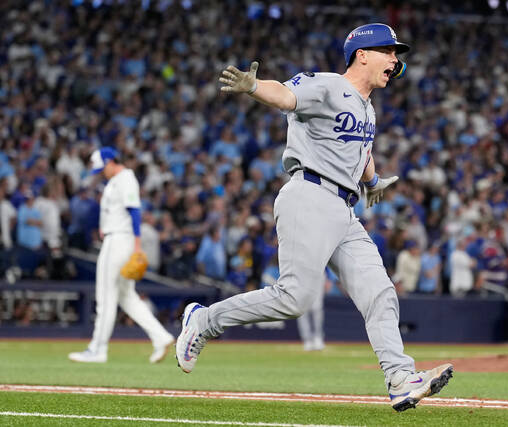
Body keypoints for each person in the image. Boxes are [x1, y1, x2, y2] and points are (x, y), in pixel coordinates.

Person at [175, 23, 452, 412]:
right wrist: (255, 87)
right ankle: (204, 321)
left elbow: (360, 152)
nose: (395, 60)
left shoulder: (367, 107)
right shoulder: (326, 85)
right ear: (362, 54)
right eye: (389, 51)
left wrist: (372, 182)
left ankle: (400, 378)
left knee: (379, 291)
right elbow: (287, 97)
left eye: (396, 54)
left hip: (344, 208)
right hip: (309, 195)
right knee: (294, 299)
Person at [69, 147, 174, 364]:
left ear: (110, 161)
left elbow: (134, 211)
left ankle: (97, 349)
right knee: (127, 296)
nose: (101, 172)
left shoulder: (125, 178)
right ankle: (161, 337)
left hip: (118, 240)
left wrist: (137, 245)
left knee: (106, 296)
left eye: (102, 167)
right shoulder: (117, 180)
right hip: (118, 237)